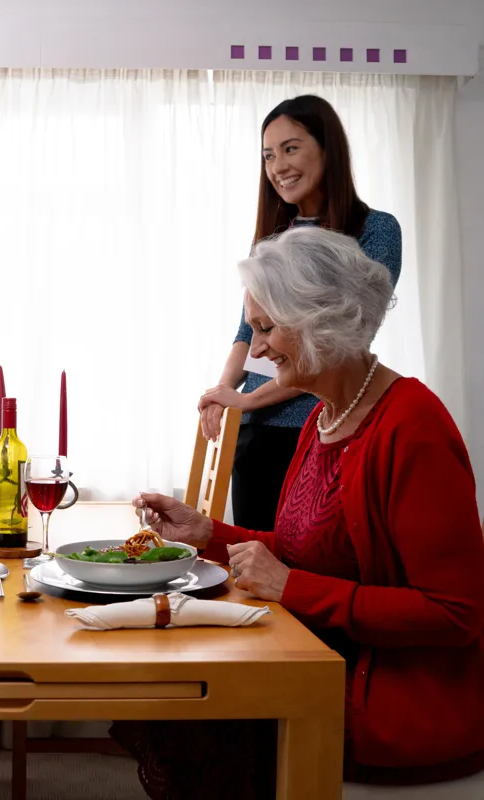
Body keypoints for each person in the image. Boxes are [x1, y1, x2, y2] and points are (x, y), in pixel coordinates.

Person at [115, 227, 484, 799]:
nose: (255, 351)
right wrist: (208, 533)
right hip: (316, 655)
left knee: (201, 709)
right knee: (179, 686)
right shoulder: (324, 418)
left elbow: (454, 612)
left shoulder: (414, 427)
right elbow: (306, 547)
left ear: (320, 320)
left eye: (266, 328)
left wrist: (292, 589)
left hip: (388, 699)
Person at [198, 95, 402, 531]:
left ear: (328, 149)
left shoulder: (376, 230)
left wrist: (245, 399)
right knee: (257, 569)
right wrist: (222, 393)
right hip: (256, 435)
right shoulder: (269, 241)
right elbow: (244, 333)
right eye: (268, 156)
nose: (277, 167)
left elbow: (340, 344)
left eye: (290, 149)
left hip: (328, 427)